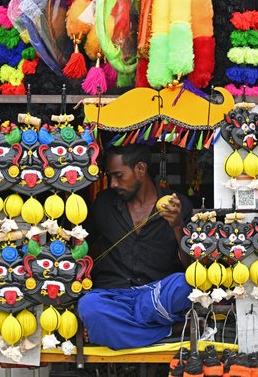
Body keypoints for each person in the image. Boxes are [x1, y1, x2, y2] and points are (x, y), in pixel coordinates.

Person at [78, 145, 194, 350]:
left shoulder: (177, 205)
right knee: (89, 306)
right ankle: (170, 330)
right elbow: (81, 245)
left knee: (184, 284)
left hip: (155, 296)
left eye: (118, 175)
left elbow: (191, 265)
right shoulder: (104, 203)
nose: (112, 183)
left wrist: (177, 226)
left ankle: (111, 331)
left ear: (140, 169)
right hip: (113, 296)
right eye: (109, 177)